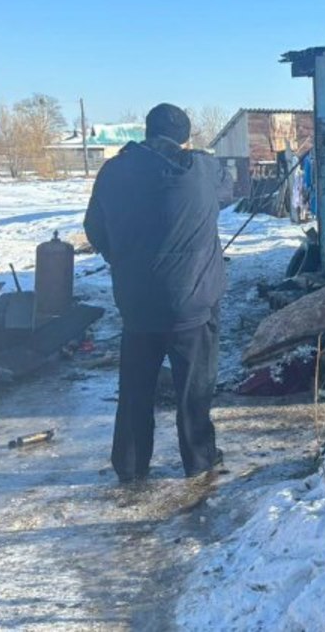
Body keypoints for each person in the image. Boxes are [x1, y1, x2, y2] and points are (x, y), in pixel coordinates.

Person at [85, 103, 227, 482]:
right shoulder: (202, 169)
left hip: (137, 305)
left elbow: (93, 229)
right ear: (184, 137)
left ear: (147, 132)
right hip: (193, 305)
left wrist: (125, 259)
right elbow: (224, 190)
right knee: (194, 389)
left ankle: (130, 466)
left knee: (135, 391)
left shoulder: (113, 171)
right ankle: (199, 459)